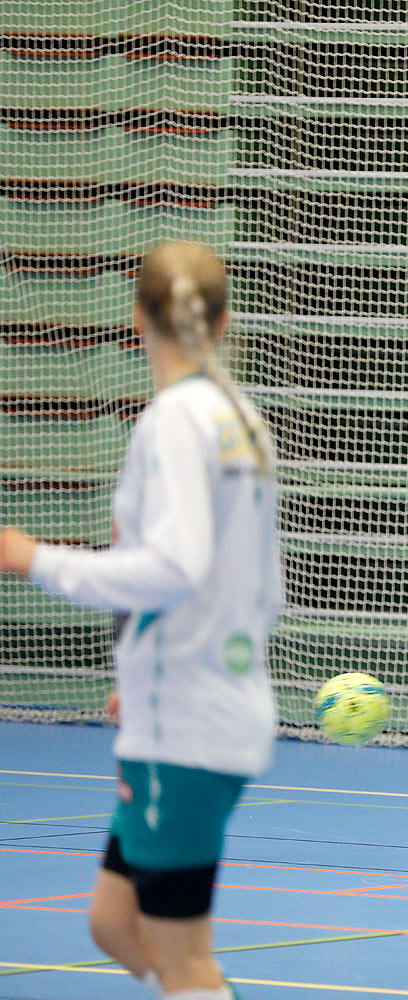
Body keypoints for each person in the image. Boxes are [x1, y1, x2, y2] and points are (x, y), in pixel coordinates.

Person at [0, 241, 282, 1000]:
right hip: (189, 709)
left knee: (182, 957)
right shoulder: (242, 422)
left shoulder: (176, 422)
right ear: (223, 322)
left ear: (136, 318)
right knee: (112, 923)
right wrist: (151, 674)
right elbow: (262, 590)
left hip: (190, 726)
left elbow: (175, 567)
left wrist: (34, 559)